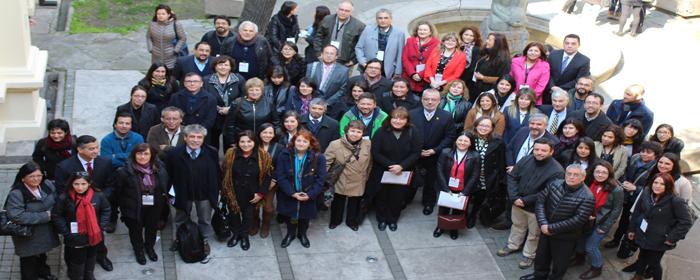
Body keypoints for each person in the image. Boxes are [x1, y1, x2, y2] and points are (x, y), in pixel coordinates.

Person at [497, 138, 564, 270]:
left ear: (551, 152)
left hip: (536, 208)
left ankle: (529, 254)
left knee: (534, 234)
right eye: (537, 149)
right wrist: (514, 197)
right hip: (517, 202)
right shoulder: (526, 159)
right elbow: (513, 177)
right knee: (517, 226)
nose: (539, 152)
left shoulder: (557, 171)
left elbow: (548, 192)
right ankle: (513, 245)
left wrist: (525, 200)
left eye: (543, 150)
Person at [518, 164, 594, 280]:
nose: (571, 177)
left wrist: (551, 228)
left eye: (576, 175)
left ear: (583, 177)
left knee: (560, 263)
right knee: (541, 258)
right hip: (545, 228)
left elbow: (578, 220)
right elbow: (540, 202)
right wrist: (543, 224)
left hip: (565, 237)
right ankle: (539, 276)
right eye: (569, 174)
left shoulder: (588, 197)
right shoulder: (555, 184)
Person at [53, 135, 115, 271]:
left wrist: (99, 199)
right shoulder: (64, 167)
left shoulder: (105, 162)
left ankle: (101, 257)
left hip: (96, 209)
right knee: (75, 242)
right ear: (80, 150)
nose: (96, 151)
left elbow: (111, 184)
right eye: (91, 149)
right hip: (75, 211)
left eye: (97, 147)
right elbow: (61, 191)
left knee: (98, 235)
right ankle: (72, 266)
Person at [624, 173, 692, 280]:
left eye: (662, 184)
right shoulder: (646, 192)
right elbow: (637, 211)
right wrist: (631, 229)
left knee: (654, 263)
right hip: (643, 234)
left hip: (660, 239)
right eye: (655, 182)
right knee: (642, 256)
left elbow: (686, 222)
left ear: (668, 186)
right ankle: (638, 276)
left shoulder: (676, 200)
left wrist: (671, 238)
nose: (657, 186)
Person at [166, 124, 220, 256]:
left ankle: (204, 241)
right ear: (185, 137)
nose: (195, 140)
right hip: (182, 193)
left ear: (203, 139)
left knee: (205, 219)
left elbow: (216, 172)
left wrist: (216, 190)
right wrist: (170, 193)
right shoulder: (173, 153)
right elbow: (169, 174)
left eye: (199, 137)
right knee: (181, 218)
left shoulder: (211, 152)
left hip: (205, 193)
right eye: (192, 136)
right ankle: (180, 239)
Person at [368, 107, 423, 231]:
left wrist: (401, 166)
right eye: (395, 118)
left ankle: (392, 220)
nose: (398, 121)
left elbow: (416, 152)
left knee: (397, 197)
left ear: (407, 120)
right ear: (390, 119)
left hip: (403, 171)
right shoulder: (381, 131)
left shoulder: (413, 131)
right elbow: (375, 152)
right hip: (383, 170)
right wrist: (390, 166)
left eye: (401, 119)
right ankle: (381, 219)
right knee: (382, 196)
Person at [114, 144, 167, 265]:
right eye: (139, 153)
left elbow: (164, 184)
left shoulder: (159, 168)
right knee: (135, 230)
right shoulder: (124, 172)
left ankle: (149, 247)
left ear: (152, 155)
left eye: (146, 154)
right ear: (134, 155)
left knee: (152, 228)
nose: (142, 157)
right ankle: (139, 250)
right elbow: (118, 191)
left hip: (154, 205)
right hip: (133, 207)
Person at [6, 162, 60, 280]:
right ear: (23, 178)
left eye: (39, 175)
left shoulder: (47, 184)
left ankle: (43, 272)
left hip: (45, 231)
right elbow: (16, 216)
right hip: (28, 233)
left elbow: (56, 199)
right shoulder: (16, 193)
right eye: (31, 176)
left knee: (42, 254)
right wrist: (45, 216)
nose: (36, 179)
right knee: (28, 260)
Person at [52, 173, 111, 280]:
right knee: (77, 260)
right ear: (71, 184)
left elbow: (106, 210)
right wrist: (66, 232)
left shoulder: (98, 195)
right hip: (74, 236)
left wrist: (101, 226)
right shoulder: (64, 197)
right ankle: (77, 276)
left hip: (93, 234)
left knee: (91, 256)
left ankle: (89, 274)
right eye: (76, 184)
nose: (80, 187)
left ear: (89, 184)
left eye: (83, 184)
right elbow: (57, 215)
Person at [221, 131, 273, 250]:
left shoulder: (264, 156)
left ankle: (244, 236)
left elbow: (267, 176)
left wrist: (261, 193)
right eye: (242, 141)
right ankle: (236, 234)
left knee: (248, 216)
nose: (245, 144)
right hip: (232, 191)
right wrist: (224, 190)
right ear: (238, 143)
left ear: (255, 142)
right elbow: (224, 171)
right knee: (233, 214)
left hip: (252, 193)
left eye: (249, 141)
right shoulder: (230, 153)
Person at [606, 141, 663, 250]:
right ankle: (616, 240)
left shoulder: (656, 169)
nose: (644, 154)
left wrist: (635, 188)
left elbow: (653, 187)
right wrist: (624, 182)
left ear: (656, 155)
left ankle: (628, 245)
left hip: (640, 198)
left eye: (648, 152)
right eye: (642, 151)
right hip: (627, 195)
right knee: (623, 219)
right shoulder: (634, 158)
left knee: (634, 221)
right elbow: (625, 173)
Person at [408, 89, 455, 215]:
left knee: (431, 181)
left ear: (439, 101)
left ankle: (428, 203)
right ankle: (406, 199)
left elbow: (450, 137)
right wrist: (417, 151)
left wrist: (435, 150)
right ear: (422, 100)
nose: (429, 102)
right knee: (411, 178)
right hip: (414, 155)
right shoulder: (412, 114)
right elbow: (407, 134)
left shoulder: (446, 116)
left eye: (433, 99)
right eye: (426, 99)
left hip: (435, 155)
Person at [276, 131, 327, 248]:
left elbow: (321, 179)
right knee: (291, 216)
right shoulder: (284, 154)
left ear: (310, 144)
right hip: (290, 194)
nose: (301, 143)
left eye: (305, 141)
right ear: (293, 142)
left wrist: (310, 194)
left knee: (305, 217)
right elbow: (281, 176)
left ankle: (302, 234)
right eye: (298, 140)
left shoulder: (319, 157)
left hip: (308, 194)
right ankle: (291, 234)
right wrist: (292, 193)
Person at [575, 161, 623, 279]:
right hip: (586, 219)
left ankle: (597, 267)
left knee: (591, 246)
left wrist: (604, 227)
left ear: (609, 173)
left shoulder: (617, 189)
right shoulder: (590, 182)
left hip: (601, 222)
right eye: (597, 171)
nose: (600, 175)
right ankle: (579, 259)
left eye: (604, 172)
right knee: (581, 240)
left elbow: (616, 211)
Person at [326, 120, 372, 231]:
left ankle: (351, 222)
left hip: (359, 179)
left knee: (354, 202)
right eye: (352, 131)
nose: (355, 134)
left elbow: (370, 162)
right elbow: (326, 162)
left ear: (362, 134)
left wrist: (367, 176)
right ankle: (335, 220)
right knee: (338, 201)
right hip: (342, 179)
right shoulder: (335, 144)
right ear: (347, 131)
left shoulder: (368, 144)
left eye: (358, 132)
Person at [434, 132, 480, 239]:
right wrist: (445, 189)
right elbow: (439, 170)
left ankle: (454, 228)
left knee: (458, 211)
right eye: (460, 140)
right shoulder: (446, 152)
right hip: (446, 187)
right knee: (443, 209)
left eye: (466, 141)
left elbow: (475, 175)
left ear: (470, 143)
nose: (462, 143)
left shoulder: (475, 156)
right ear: (455, 141)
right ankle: (440, 226)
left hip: (463, 189)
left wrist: (465, 192)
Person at [204, 55, 245, 150]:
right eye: (220, 64)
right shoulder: (206, 80)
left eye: (226, 65)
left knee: (230, 146)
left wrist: (230, 109)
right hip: (213, 117)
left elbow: (244, 97)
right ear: (215, 66)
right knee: (212, 146)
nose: (223, 67)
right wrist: (217, 108)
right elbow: (204, 98)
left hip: (233, 118)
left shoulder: (239, 79)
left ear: (231, 67)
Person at [224, 78, 280, 147]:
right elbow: (230, 124)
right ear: (247, 91)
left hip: (263, 141)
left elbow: (276, 122)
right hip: (244, 142)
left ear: (262, 91)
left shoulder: (269, 103)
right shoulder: (237, 103)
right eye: (251, 90)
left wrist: (275, 139)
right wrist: (232, 141)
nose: (254, 92)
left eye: (257, 90)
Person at [311, 1, 366, 67]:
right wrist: (319, 53)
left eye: (347, 11)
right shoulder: (327, 19)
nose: (343, 12)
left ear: (351, 12)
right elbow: (318, 37)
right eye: (341, 9)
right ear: (337, 9)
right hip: (325, 58)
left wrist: (354, 61)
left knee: (341, 77)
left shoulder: (359, 26)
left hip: (344, 62)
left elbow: (362, 45)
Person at [253, 123, 284, 238]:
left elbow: (281, 166)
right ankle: (255, 223)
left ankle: (265, 225)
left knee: (268, 207)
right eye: (264, 132)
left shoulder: (279, 147)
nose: (267, 135)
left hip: (271, 181)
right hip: (255, 181)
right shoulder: (253, 145)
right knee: (254, 204)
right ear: (259, 133)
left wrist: (274, 180)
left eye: (270, 133)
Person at [355, 9, 405, 78]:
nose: (383, 20)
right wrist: (363, 63)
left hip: (387, 70)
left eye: (386, 18)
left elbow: (400, 54)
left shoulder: (399, 34)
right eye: (380, 18)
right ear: (376, 19)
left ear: (391, 19)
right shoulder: (368, 30)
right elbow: (359, 47)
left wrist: (398, 71)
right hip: (368, 68)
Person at [306, 45, 350, 110]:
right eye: (326, 53)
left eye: (331, 54)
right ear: (321, 55)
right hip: (311, 102)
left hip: (331, 105)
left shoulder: (343, 70)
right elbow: (307, 84)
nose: (328, 55)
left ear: (336, 57)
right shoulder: (312, 66)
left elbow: (342, 89)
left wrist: (328, 103)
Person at [401, 21, 439, 94]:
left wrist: (420, 74)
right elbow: (405, 58)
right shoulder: (410, 41)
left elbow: (434, 63)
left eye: (425, 30)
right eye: (420, 29)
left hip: (425, 77)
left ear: (430, 32)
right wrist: (412, 73)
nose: (422, 32)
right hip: (409, 76)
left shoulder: (436, 44)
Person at [472, 33, 511, 98]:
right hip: (476, 89)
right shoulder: (487, 54)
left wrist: (483, 78)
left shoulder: (504, 60)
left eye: (490, 40)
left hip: (488, 93)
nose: (487, 41)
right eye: (487, 39)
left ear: (497, 43)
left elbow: (502, 78)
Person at [146, 4, 186, 69]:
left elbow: (183, 38)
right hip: (156, 56)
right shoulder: (152, 24)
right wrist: (150, 48)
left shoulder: (176, 24)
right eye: (158, 14)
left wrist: (176, 50)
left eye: (163, 14)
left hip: (171, 56)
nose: (160, 16)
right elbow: (148, 37)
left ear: (168, 15)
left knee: (170, 75)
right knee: (158, 74)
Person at [458, 26, 482, 97]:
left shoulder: (477, 49)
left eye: (471, 36)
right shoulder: (456, 46)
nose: (468, 37)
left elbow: (473, 67)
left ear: (475, 37)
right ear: (462, 35)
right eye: (466, 34)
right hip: (454, 75)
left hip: (468, 79)